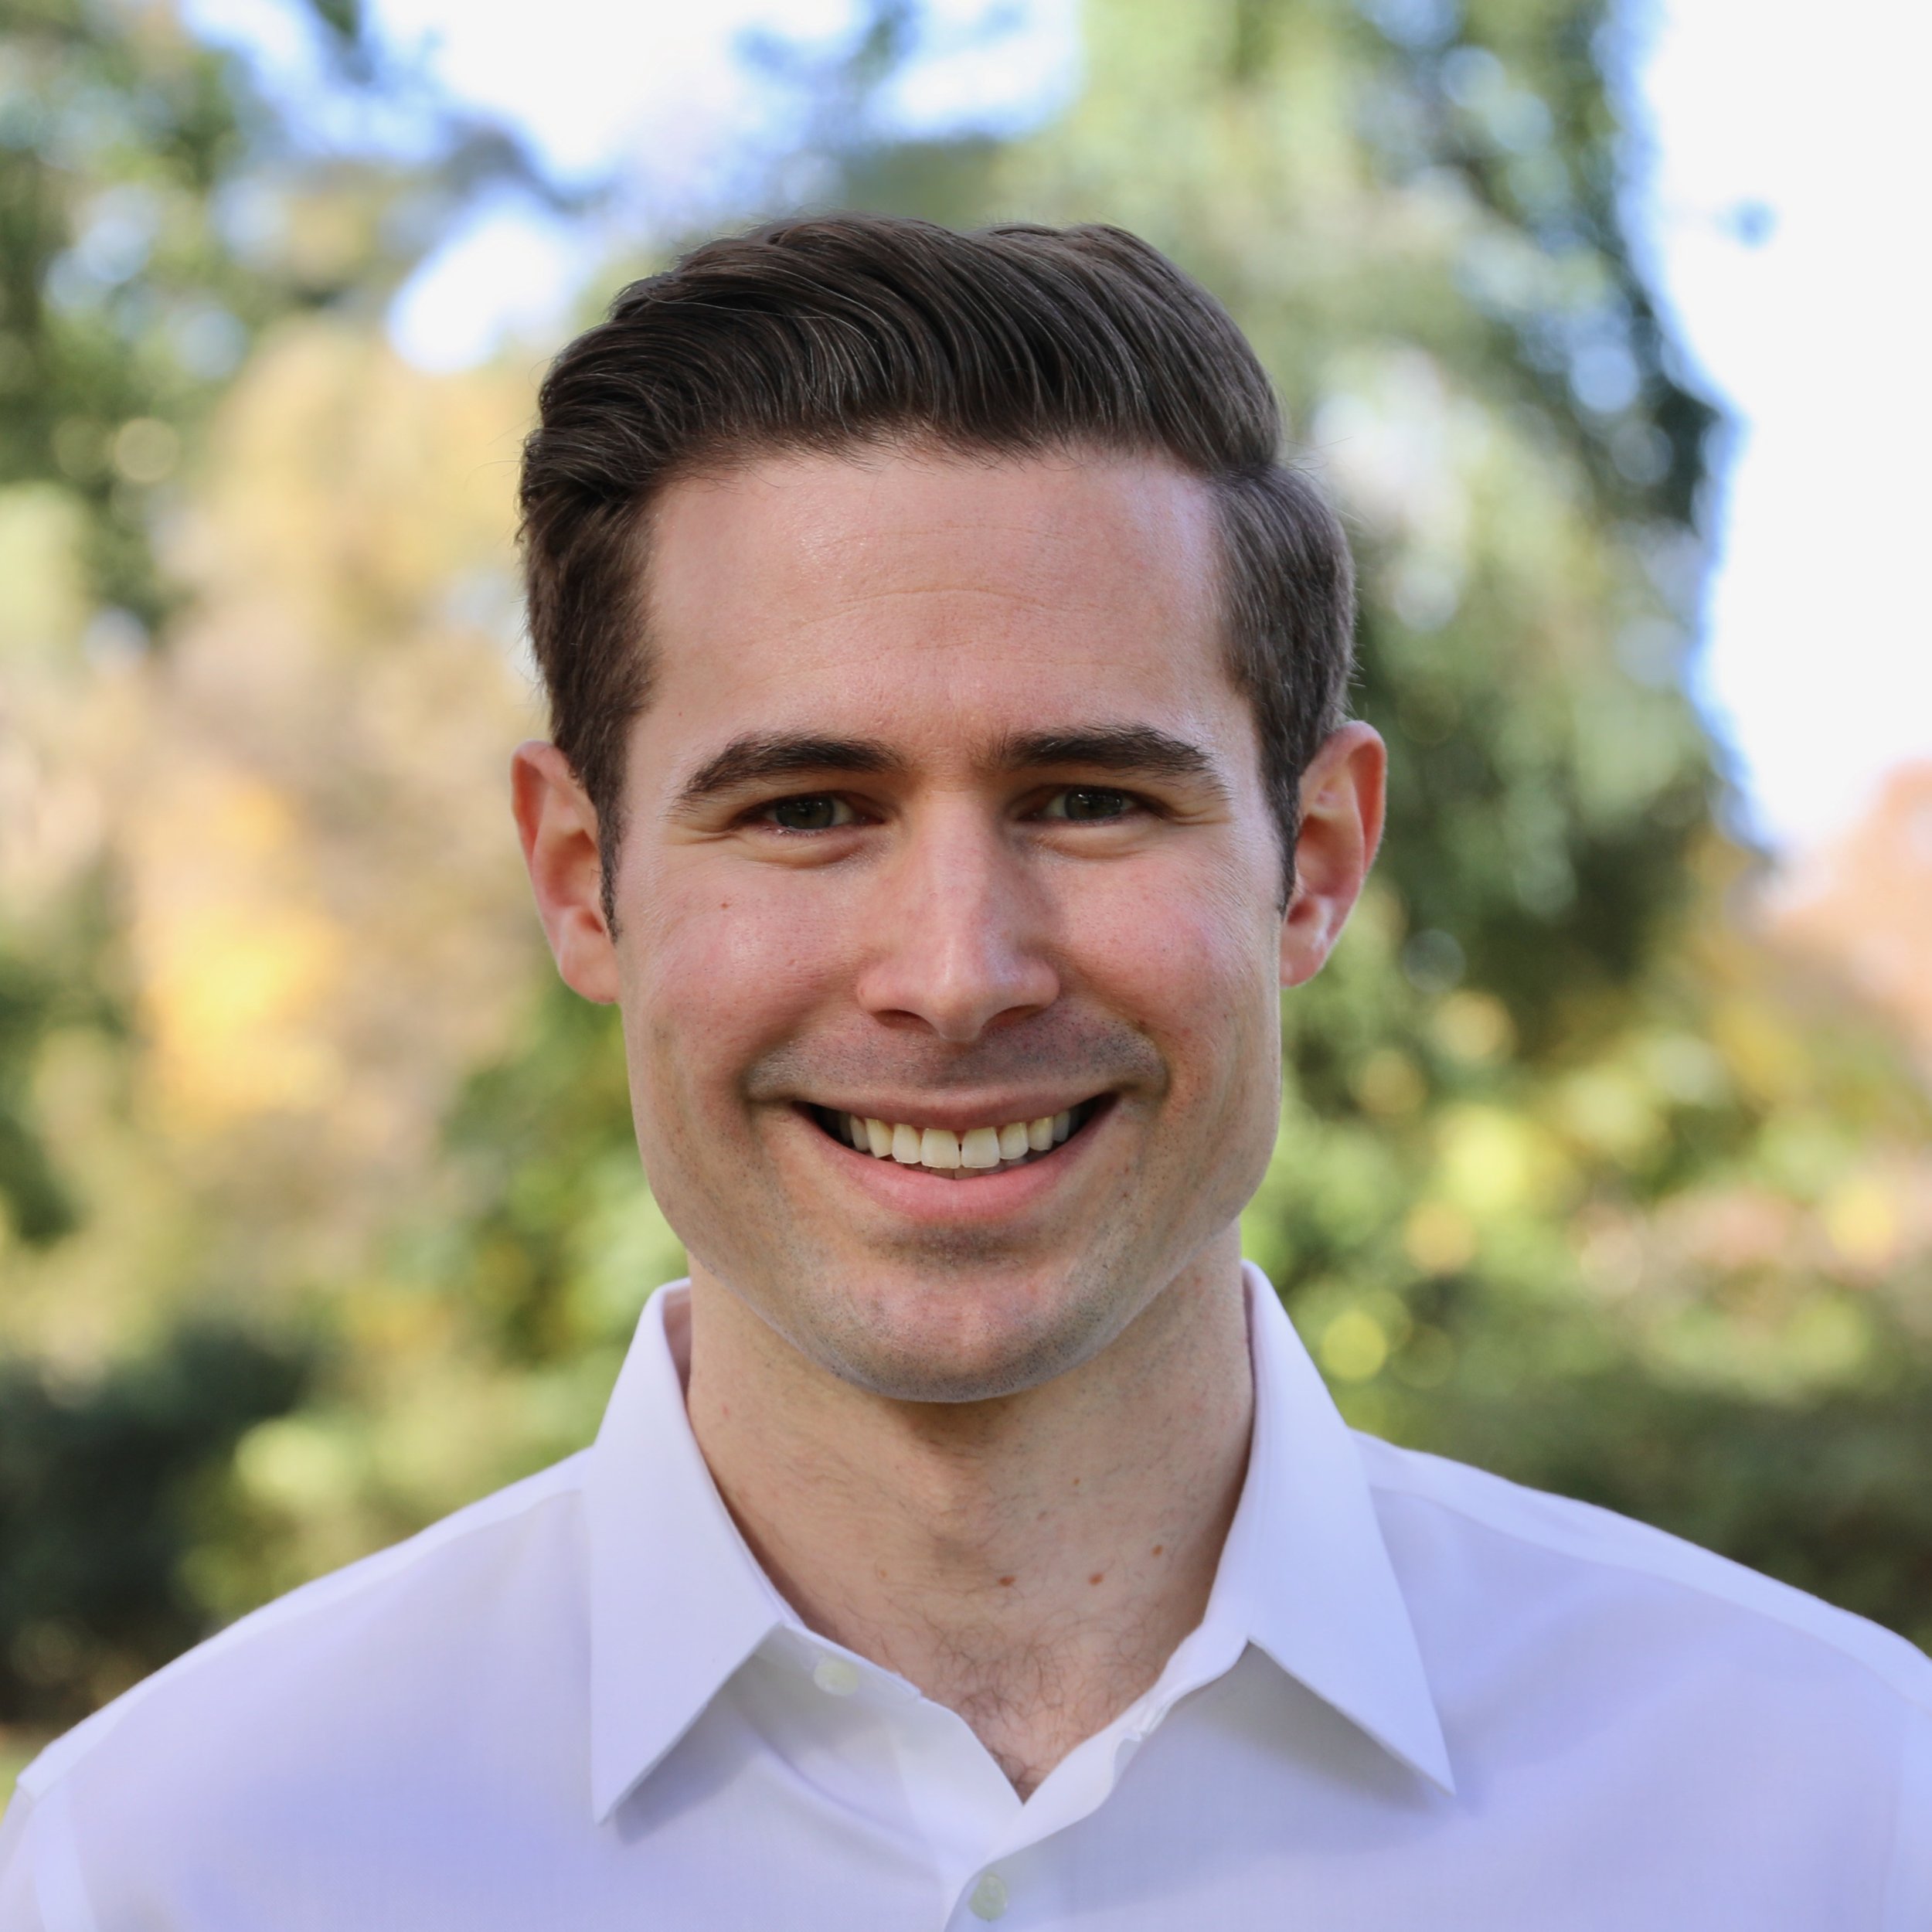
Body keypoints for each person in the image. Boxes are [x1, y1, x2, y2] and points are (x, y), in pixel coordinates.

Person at [2, 213, 1926, 1931]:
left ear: (1313, 860)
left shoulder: (1837, 1819)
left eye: (1088, 798)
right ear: (584, 882)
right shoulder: (177, 1867)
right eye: (808, 807)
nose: (953, 972)